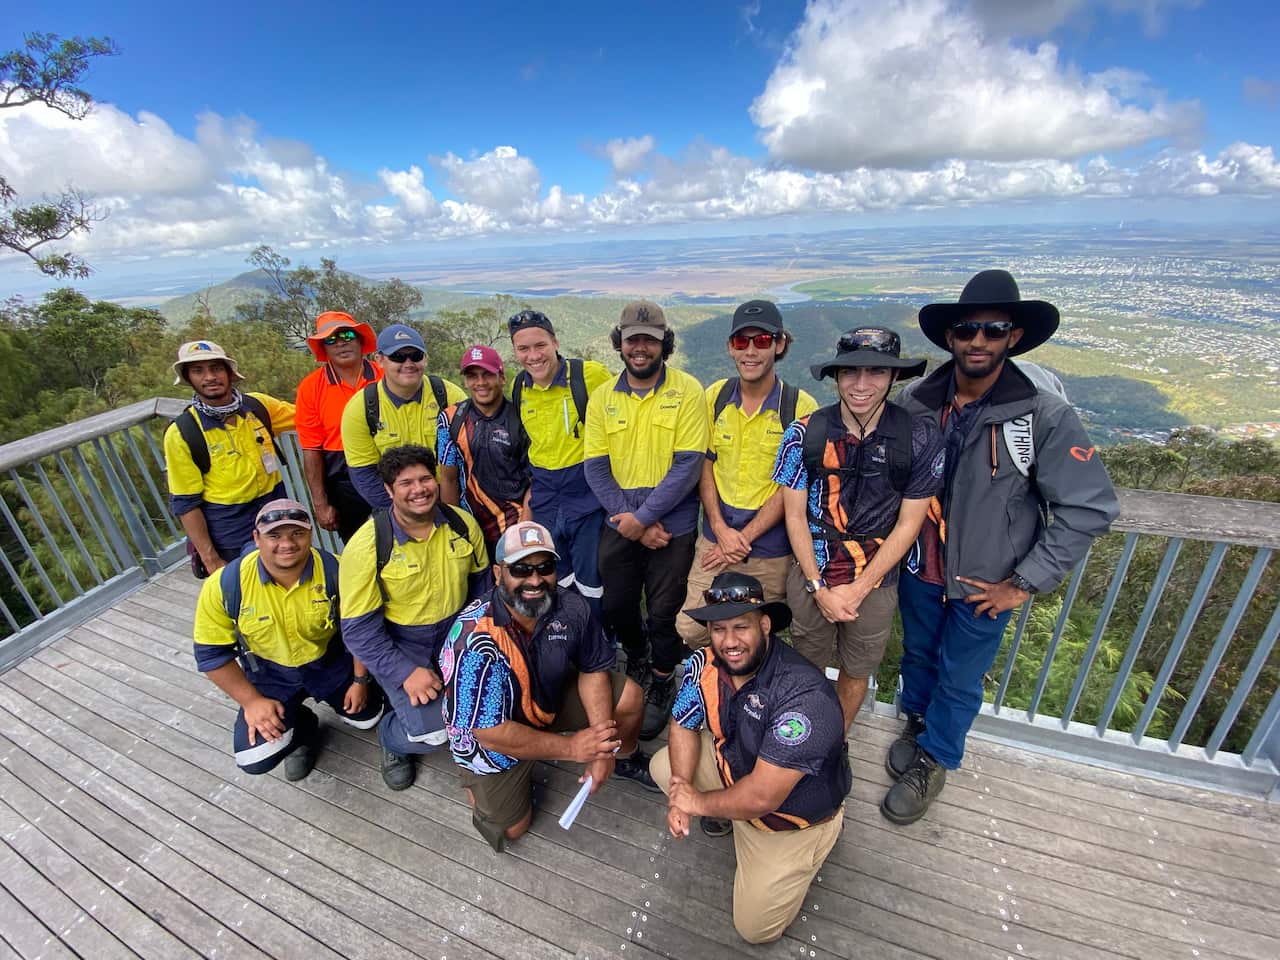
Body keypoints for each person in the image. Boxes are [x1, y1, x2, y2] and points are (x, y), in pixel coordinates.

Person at [883, 269, 1119, 824]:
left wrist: (1023, 582)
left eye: (993, 330)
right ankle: (918, 724)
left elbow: (1089, 507)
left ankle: (935, 758)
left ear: (1013, 337)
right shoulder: (918, 402)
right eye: (968, 330)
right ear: (951, 337)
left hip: (986, 580)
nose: (979, 341)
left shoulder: (1042, 413)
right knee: (919, 656)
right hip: (921, 567)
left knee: (961, 674)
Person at [650, 572, 851, 945]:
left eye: (741, 627)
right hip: (740, 779)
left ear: (765, 625)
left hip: (788, 816)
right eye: (718, 629)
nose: (729, 642)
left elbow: (762, 798)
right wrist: (681, 788)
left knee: (755, 930)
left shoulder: (804, 695)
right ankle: (728, 817)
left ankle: (822, 840)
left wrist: (695, 802)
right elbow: (682, 724)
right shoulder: (704, 662)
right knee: (664, 767)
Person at [441, 521, 659, 851]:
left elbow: (593, 668)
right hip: (489, 737)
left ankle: (623, 757)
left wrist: (601, 744)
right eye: (521, 569)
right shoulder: (474, 638)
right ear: (498, 574)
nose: (535, 580)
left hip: (544, 702)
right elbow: (488, 731)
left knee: (629, 696)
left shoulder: (570, 606)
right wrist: (573, 749)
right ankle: (475, 780)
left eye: (545, 567)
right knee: (512, 830)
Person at [773, 328, 944, 732]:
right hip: (813, 571)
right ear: (836, 377)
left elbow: (909, 524)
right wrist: (818, 587)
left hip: (876, 578)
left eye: (876, 372)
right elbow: (794, 516)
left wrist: (858, 588)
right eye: (850, 372)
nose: (862, 384)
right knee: (807, 663)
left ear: (892, 378)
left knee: (857, 669)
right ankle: (805, 737)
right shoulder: (804, 433)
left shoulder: (919, 437)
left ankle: (836, 740)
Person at [583, 300, 708, 740]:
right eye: (633, 339)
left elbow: (688, 465)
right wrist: (630, 522)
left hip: (672, 524)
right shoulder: (603, 398)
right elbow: (595, 466)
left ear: (663, 344)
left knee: (664, 613)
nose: (640, 348)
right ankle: (636, 657)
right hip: (620, 520)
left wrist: (645, 519)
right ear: (620, 343)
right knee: (617, 606)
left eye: (649, 340)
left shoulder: (687, 390)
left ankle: (661, 675)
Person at [192, 499, 383, 779]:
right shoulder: (225, 585)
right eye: (274, 535)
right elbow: (211, 655)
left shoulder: (338, 571)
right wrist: (251, 702)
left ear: (310, 535)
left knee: (370, 717)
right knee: (254, 757)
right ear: (256, 538)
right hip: (269, 673)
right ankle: (302, 729)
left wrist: (359, 680)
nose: (287, 544)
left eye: (297, 533)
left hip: (331, 663)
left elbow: (361, 630)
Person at [338, 444, 489, 791]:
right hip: (403, 643)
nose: (418, 489)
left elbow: (483, 588)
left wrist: (482, 645)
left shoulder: (461, 523)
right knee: (436, 732)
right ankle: (391, 737)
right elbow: (359, 632)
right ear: (389, 490)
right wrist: (406, 672)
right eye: (405, 483)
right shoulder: (367, 546)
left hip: (457, 632)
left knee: (487, 700)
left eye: (424, 478)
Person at [676, 300, 817, 650]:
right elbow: (706, 464)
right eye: (742, 342)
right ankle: (713, 692)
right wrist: (722, 531)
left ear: (780, 344)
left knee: (754, 635)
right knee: (692, 628)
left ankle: (753, 700)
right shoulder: (716, 397)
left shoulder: (800, 408)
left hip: (769, 550)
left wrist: (742, 540)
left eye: (762, 341)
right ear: (730, 347)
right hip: (715, 538)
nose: (751, 351)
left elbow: (791, 485)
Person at [507, 309, 613, 617]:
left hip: (587, 495)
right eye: (523, 349)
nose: (533, 355)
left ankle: (600, 641)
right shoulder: (518, 389)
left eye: (540, 345)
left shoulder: (588, 376)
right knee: (556, 575)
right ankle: (566, 634)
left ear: (555, 342)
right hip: (546, 499)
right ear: (514, 351)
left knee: (593, 579)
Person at [164, 340, 296, 575]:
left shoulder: (257, 406)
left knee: (290, 574)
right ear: (188, 378)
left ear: (229, 372)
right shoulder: (184, 432)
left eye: (215, 368)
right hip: (230, 525)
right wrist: (211, 559)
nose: (209, 377)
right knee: (248, 587)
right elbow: (186, 503)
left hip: (274, 506)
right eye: (198, 371)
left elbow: (308, 415)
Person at [340, 324, 466, 511]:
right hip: (395, 504)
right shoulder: (360, 408)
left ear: (425, 359)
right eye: (397, 356)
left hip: (452, 497)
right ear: (379, 360)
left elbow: (473, 457)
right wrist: (407, 515)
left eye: (415, 356)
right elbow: (364, 474)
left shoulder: (449, 397)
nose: (408, 364)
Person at [437, 344, 531, 561]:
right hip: (471, 524)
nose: (480, 383)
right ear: (465, 381)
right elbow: (448, 478)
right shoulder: (450, 419)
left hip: (513, 522)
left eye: (487, 374)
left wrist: (524, 529)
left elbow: (534, 481)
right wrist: (455, 529)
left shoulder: (522, 418)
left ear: (502, 377)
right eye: (472, 376)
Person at [295, 311, 383, 542]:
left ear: (360, 340)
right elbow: (311, 448)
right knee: (357, 546)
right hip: (342, 479)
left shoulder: (386, 375)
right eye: (331, 339)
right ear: (323, 348)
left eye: (346, 335)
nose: (341, 343)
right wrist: (321, 503)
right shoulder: (311, 387)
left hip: (388, 468)